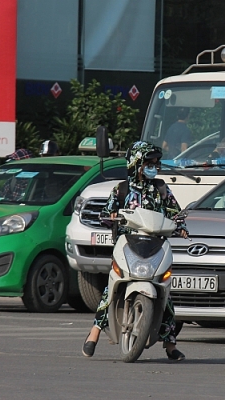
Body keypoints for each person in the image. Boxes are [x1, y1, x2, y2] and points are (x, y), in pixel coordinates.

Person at [82, 141, 189, 361]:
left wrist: (182, 227)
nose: (153, 167)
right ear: (136, 163)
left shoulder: (161, 188)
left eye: (156, 163)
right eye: (148, 163)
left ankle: (170, 345)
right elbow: (106, 212)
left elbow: (175, 214)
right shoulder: (121, 189)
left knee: (165, 293)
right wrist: (109, 217)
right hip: (128, 243)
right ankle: (93, 334)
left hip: (156, 245)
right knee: (110, 289)